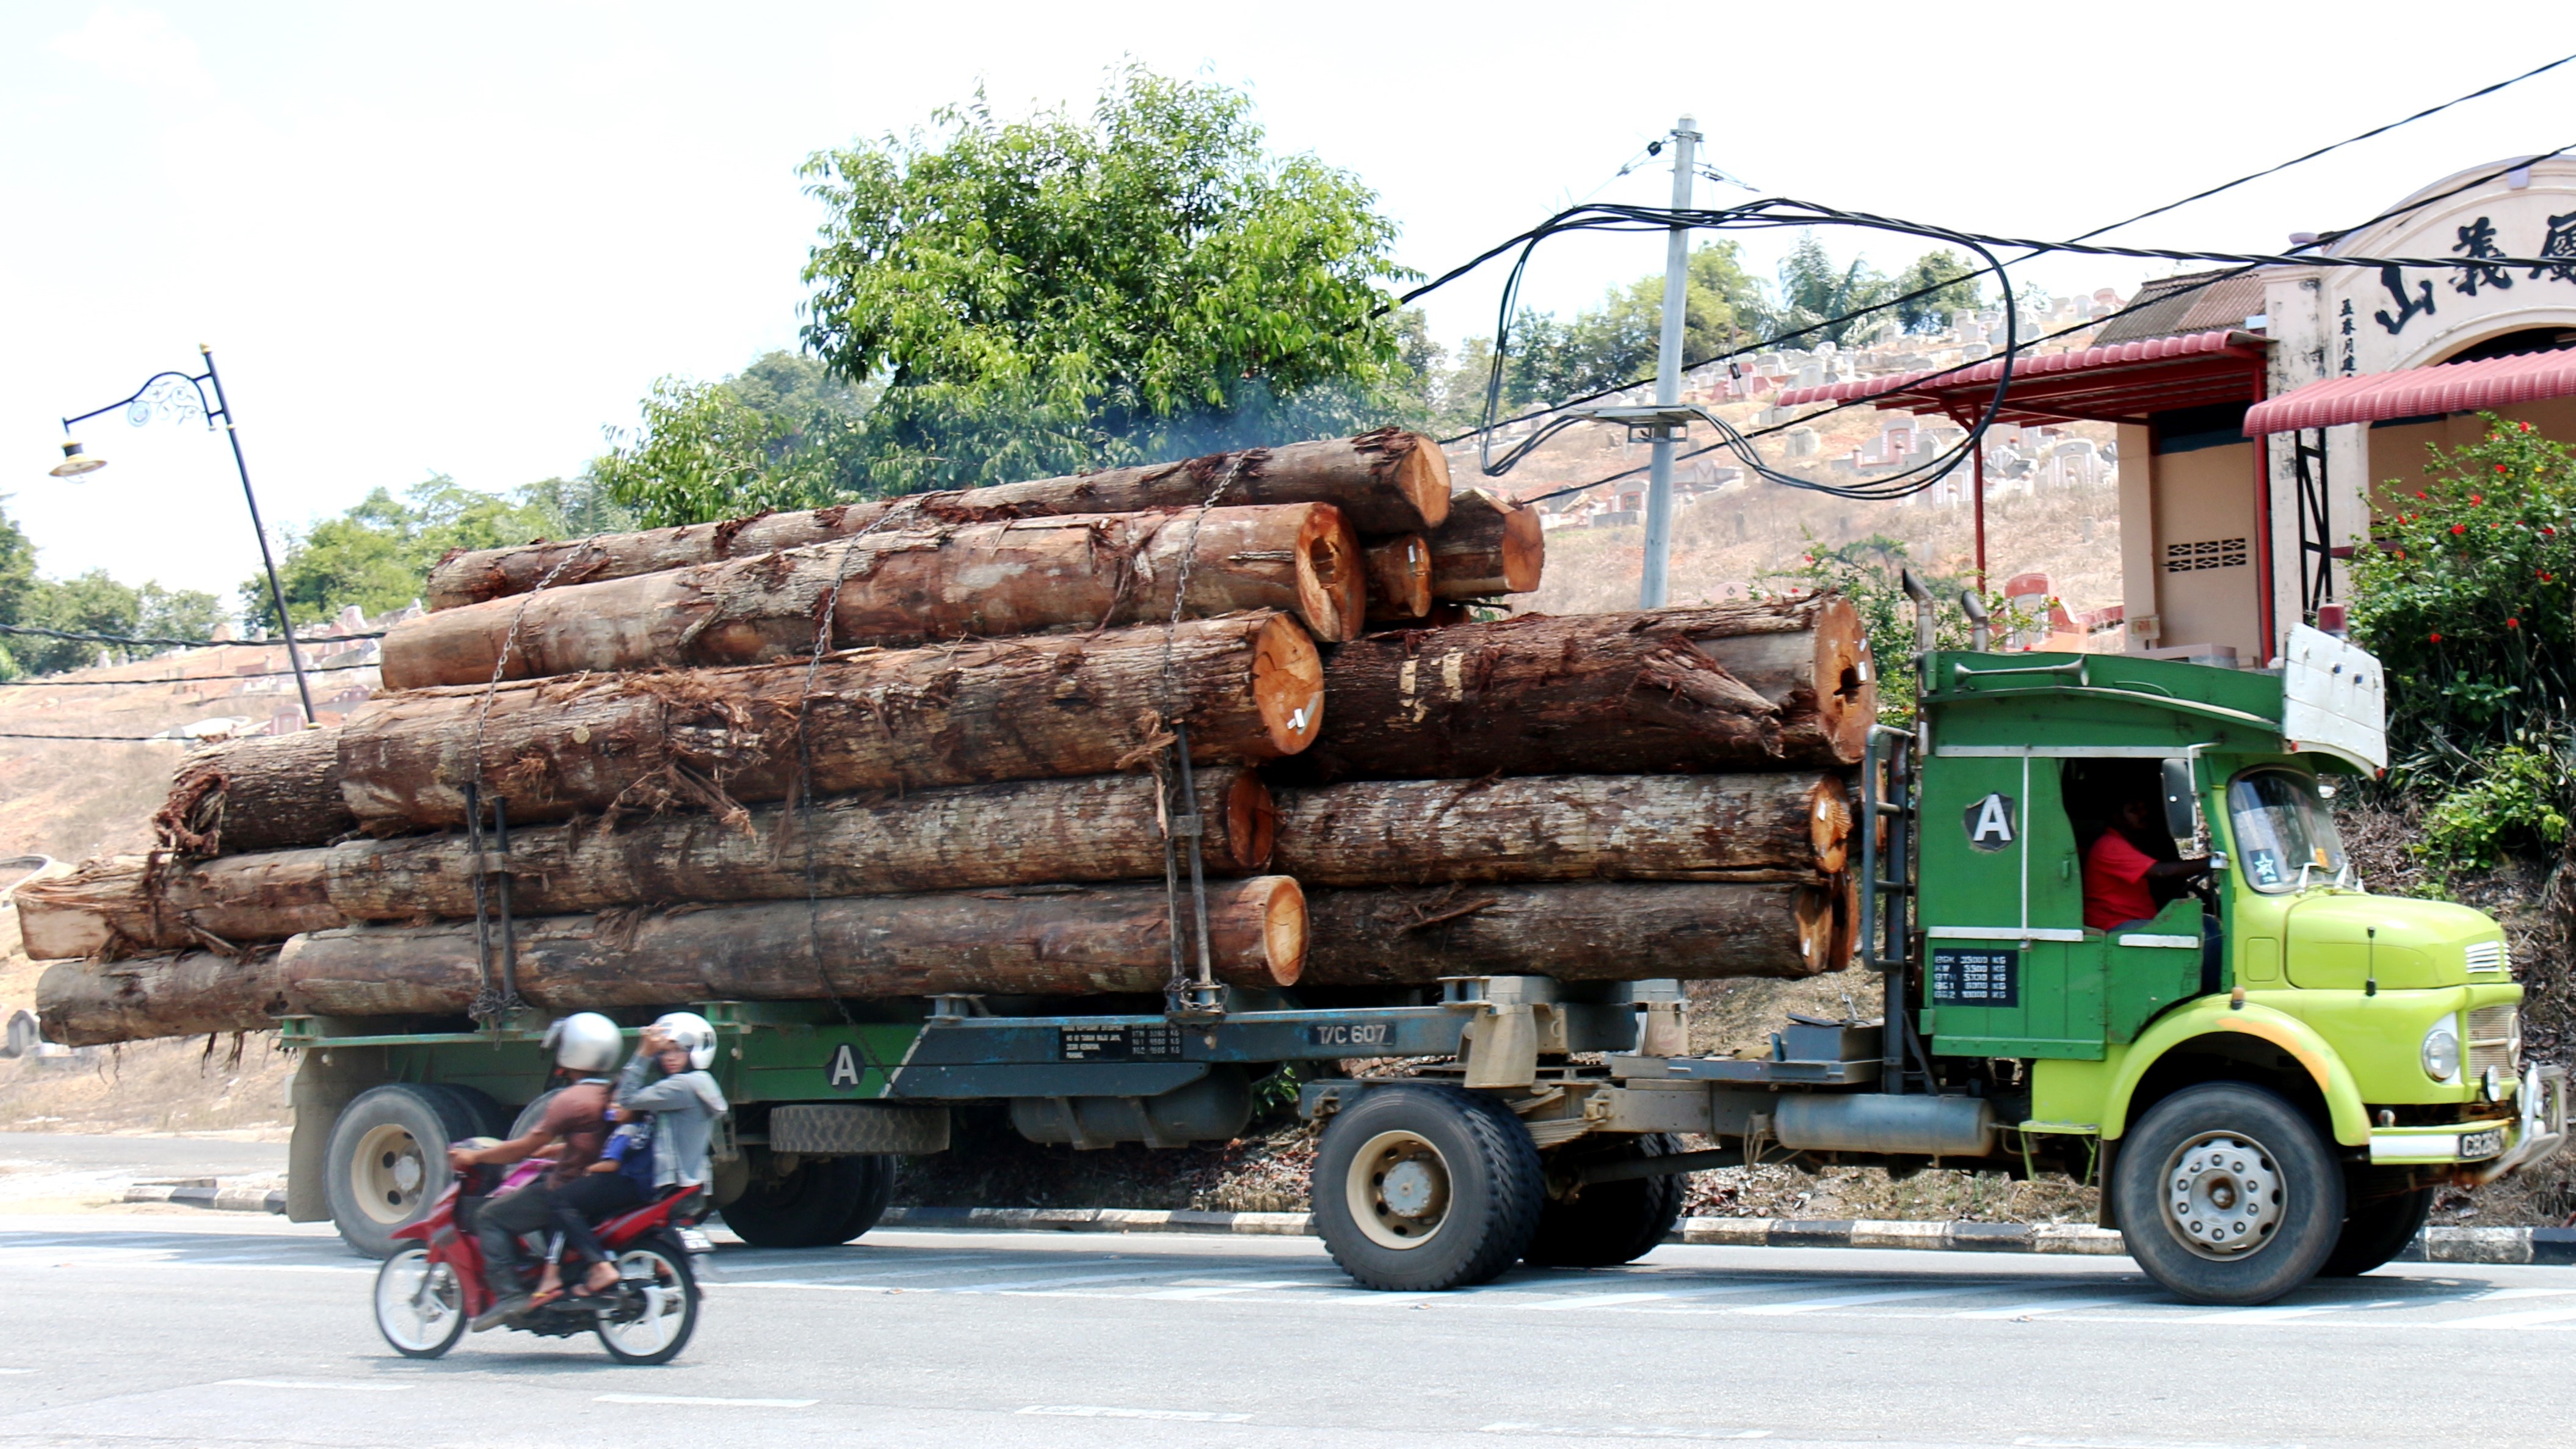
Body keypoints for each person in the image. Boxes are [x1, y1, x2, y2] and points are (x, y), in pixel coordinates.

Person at [532, 1012, 727, 1303]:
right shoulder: (700, 1084)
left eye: (677, 1050)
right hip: (685, 1182)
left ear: (695, 1051)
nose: (669, 1058)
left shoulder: (682, 1087)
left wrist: (643, 1053)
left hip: (646, 1180)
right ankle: (657, 1268)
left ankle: (596, 1268)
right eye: (664, 1052)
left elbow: (625, 1099)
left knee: (560, 1199)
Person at [447, 1012, 622, 1329]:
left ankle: (510, 1295)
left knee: (490, 1216)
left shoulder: (571, 1100)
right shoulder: (610, 1093)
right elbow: (588, 1143)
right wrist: (551, 1151)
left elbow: (521, 1148)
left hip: (568, 1187)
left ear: (574, 1051)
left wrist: (477, 1157)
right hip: (598, 1184)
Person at [2081, 786, 2212, 933]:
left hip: (2137, 920)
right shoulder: (2110, 845)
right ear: (2116, 818)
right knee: (2199, 934)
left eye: (2144, 808)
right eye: (2134, 810)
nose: (2143, 813)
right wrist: (2210, 862)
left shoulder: (2129, 844)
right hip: (2116, 925)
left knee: (2208, 924)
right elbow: (2163, 872)